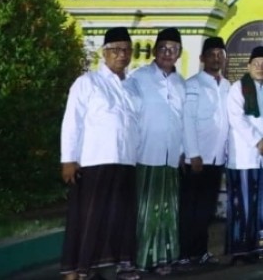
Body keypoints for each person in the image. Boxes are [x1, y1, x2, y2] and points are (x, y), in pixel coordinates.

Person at [60, 27, 140, 280]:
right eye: (116, 49)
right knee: (88, 217)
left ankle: (116, 265)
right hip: (94, 160)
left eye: (126, 50)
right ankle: (79, 268)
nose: (122, 55)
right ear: (104, 53)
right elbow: (72, 122)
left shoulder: (132, 87)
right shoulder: (87, 82)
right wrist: (68, 159)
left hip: (125, 161)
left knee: (119, 217)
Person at [127, 27, 186, 275]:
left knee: (167, 210)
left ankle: (164, 258)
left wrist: (183, 151)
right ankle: (140, 258)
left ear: (179, 53)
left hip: (172, 156)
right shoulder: (137, 78)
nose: (167, 53)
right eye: (163, 48)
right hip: (145, 154)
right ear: (154, 50)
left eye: (173, 49)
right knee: (145, 209)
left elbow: (183, 120)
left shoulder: (181, 83)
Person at [225, 45, 263, 264]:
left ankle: (260, 248)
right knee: (243, 206)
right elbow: (237, 119)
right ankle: (240, 251)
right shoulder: (238, 88)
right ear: (249, 65)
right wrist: (259, 141)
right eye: (256, 63)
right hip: (243, 157)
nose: (261, 67)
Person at [179, 36, 230, 268]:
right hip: (197, 159)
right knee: (191, 208)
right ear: (202, 58)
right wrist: (193, 153)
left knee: (207, 209)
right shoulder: (193, 84)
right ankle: (184, 253)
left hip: (217, 157)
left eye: (220, 54)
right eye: (211, 54)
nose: (216, 58)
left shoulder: (227, 85)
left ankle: (201, 252)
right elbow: (187, 120)